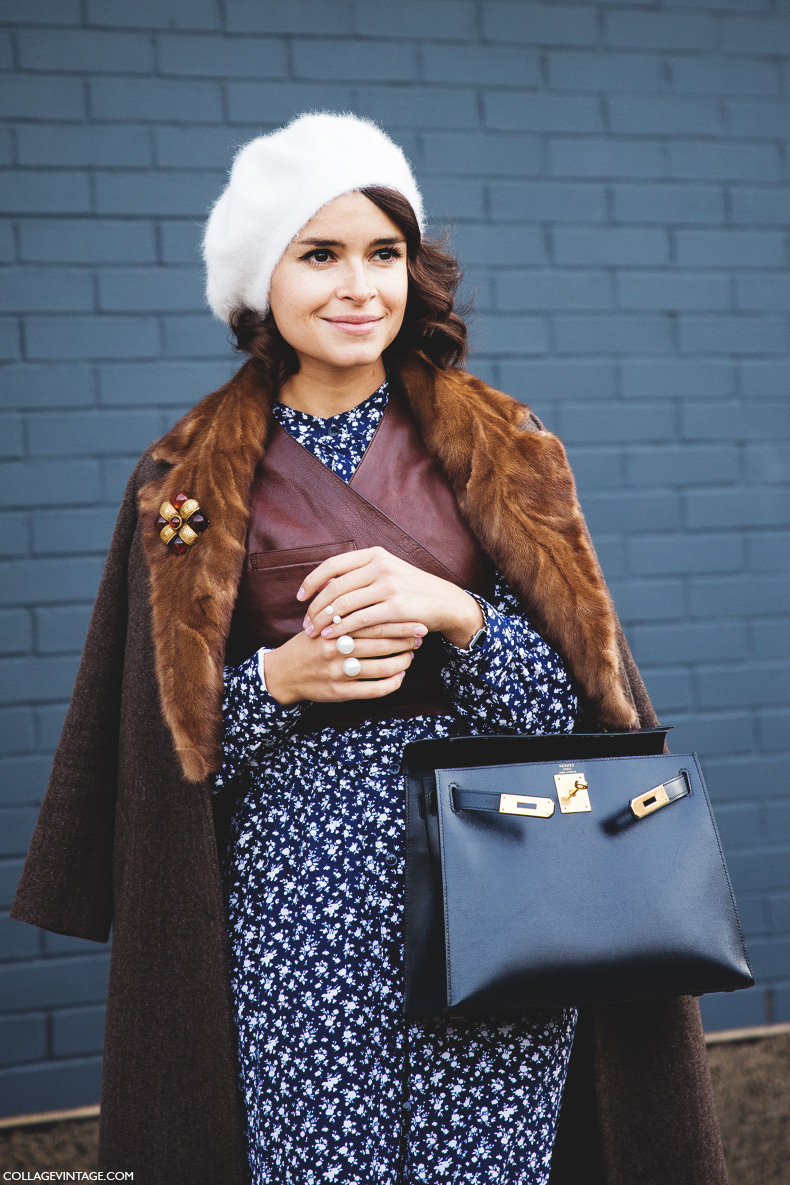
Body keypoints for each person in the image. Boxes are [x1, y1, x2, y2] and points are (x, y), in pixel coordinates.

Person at [11, 113, 728, 1185]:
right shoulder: (183, 480)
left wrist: (460, 614)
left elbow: (590, 715)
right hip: (293, 904)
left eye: (382, 253)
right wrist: (273, 684)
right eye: (320, 253)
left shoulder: (508, 449)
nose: (358, 285)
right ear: (263, 279)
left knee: (486, 1167)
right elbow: (154, 748)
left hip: (506, 886)